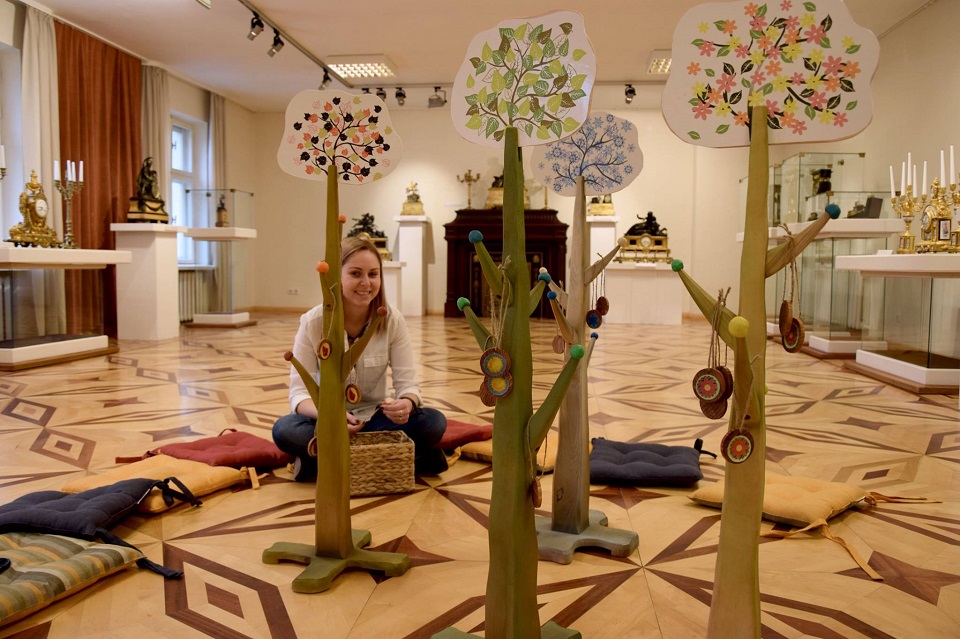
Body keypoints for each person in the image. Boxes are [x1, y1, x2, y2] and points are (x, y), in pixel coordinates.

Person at [272, 236, 448, 481]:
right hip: (326, 420)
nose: (366, 283)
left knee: (433, 422)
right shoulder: (313, 322)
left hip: (376, 418)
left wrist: (406, 404)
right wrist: (331, 417)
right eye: (355, 274)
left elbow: (408, 384)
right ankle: (405, 457)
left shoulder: (392, 320)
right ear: (337, 277)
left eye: (373, 274)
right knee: (284, 429)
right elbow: (299, 394)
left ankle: (319, 462)